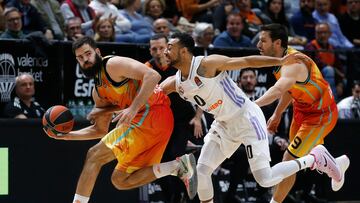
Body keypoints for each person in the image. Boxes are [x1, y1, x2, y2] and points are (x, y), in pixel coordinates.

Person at [160, 32, 346, 203]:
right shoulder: (174, 82)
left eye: (169, 47)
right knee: (201, 171)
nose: (165, 52)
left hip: (247, 117)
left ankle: (314, 159)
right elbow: (153, 94)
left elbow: (247, 60)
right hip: (223, 124)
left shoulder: (208, 64)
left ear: (184, 51)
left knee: (265, 179)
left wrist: (279, 61)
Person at [43, 36, 197, 203]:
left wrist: (132, 108)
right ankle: (176, 166)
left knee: (94, 155)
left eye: (87, 54)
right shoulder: (98, 91)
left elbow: (152, 76)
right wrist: (67, 136)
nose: (85, 60)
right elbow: (100, 130)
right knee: (120, 180)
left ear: (97, 52)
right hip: (150, 121)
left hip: (152, 113)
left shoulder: (112, 65)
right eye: (80, 57)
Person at [255, 23, 350, 203]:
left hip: (320, 114)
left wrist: (253, 105)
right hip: (301, 109)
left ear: (277, 43)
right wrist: (277, 113)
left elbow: (278, 90)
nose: (258, 45)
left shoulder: (293, 64)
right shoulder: (280, 59)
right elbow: (290, 90)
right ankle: (337, 164)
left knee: (289, 159)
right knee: (306, 156)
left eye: (263, 41)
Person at [145, 33, 204, 202]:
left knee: (174, 156)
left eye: (161, 48)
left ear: (168, 48)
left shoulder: (179, 65)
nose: (157, 52)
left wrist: (198, 117)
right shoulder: (147, 68)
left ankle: (184, 196)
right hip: (161, 121)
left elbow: (203, 89)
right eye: (153, 48)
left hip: (184, 119)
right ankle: (172, 197)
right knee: (158, 162)